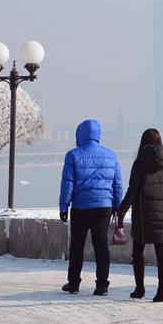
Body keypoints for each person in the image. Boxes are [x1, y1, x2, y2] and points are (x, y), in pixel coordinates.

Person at [117, 128, 163, 302]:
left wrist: (121, 212)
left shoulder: (139, 163)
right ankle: (162, 291)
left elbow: (132, 191)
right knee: (162, 252)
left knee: (138, 251)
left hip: (142, 214)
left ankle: (140, 289)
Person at [59, 119, 122, 296]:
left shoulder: (73, 155)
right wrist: (117, 205)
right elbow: (117, 184)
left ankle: (73, 284)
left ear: (79, 134)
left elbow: (67, 184)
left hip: (80, 207)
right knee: (101, 245)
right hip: (104, 207)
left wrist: (63, 207)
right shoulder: (111, 155)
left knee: (77, 245)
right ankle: (102, 285)